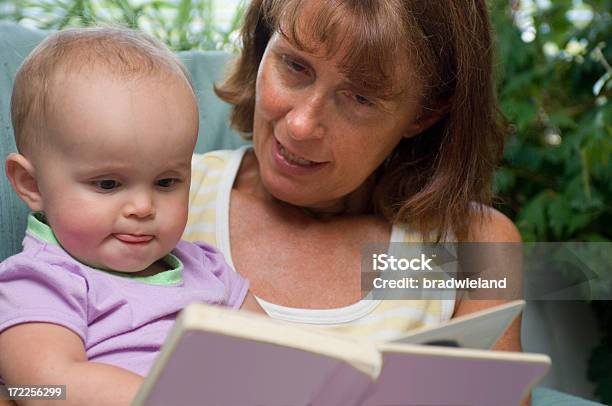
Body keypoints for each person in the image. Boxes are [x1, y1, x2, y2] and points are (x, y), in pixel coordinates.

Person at [185, 0, 522, 348]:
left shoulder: (474, 246)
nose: (301, 126)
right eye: (294, 65)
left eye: (360, 98)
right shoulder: (165, 197)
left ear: (424, 115)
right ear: (263, 43)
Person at [0, 27, 261, 405]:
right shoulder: (40, 282)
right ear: (32, 184)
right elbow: (43, 388)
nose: (143, 207)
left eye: (166, 181)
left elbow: (286, 352)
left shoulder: (209, 269)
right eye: (108, 184)